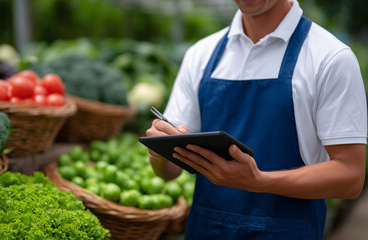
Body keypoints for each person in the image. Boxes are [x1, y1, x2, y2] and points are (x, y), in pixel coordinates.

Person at [146, 0, 367, 239]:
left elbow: (350, 176)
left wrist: (259, 181)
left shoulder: (330, 58)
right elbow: (169, 172)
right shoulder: (200, 54)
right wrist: (159, 153)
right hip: (206, 229)